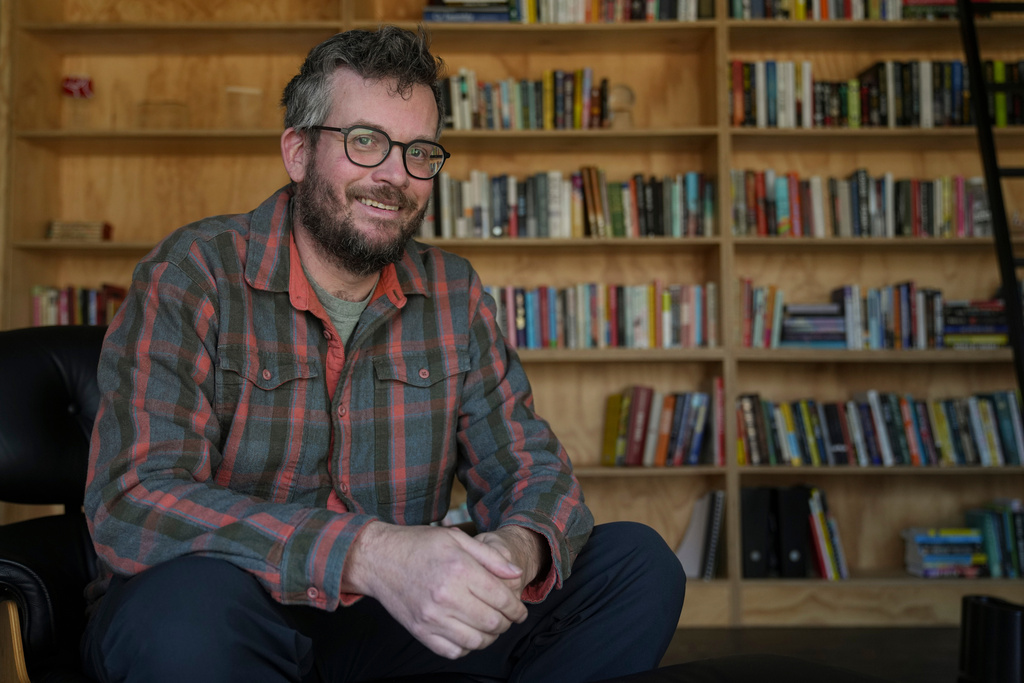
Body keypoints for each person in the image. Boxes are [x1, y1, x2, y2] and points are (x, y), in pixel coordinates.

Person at [82, 25, 685, 683]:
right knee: (176, 617)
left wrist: (510, 554)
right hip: (236, 610)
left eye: (419, 151)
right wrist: (368, 553)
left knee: (636, 564)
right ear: (298, 151)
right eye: (365, 141)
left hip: (392, 620)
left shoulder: (453, 292)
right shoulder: (193, 273)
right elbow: (133, 500)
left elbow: (531, 468)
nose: (396, 176)